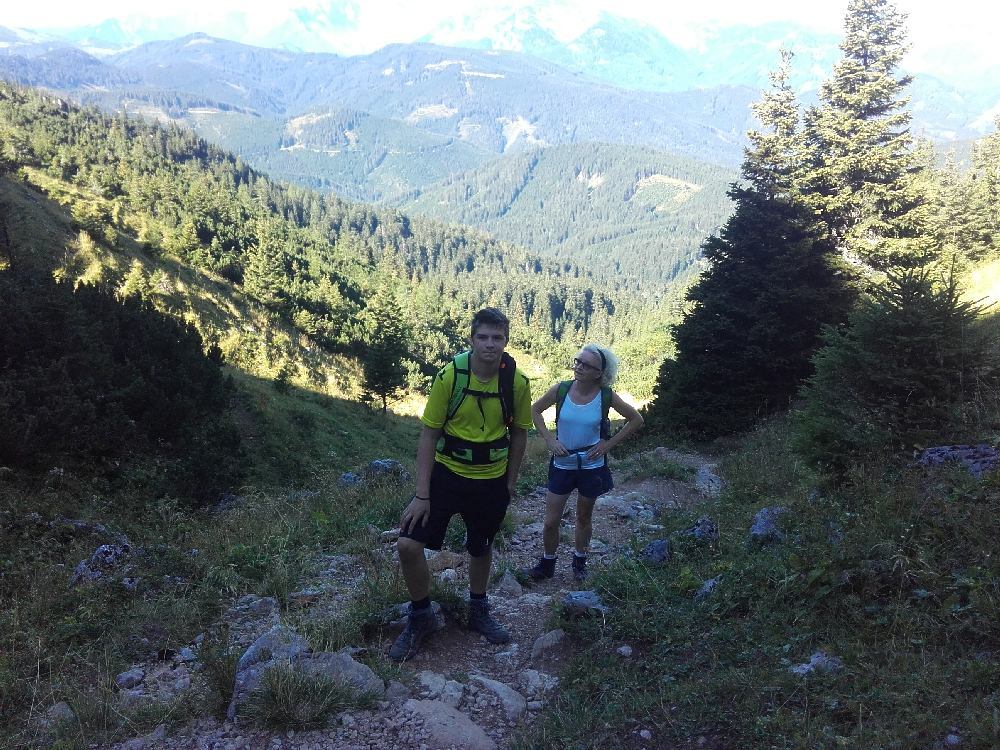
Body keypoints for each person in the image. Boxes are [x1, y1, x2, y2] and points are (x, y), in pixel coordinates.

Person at [390, 308, 532, 662]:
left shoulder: (516, 383)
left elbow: (519, 434)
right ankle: (421, 615)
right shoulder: (450, 376)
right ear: (471, 339)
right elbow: (429, 435)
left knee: (481, 546)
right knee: (408, 544)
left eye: (497, 338)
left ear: (506, 341)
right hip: (447, 475)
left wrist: (510, 482)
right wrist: (422, 494)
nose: (490, 344)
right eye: (483, 337)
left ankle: (478, 609)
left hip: (491, 479)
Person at [525, 344, 643, 582]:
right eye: (578, 361)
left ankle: (579, 563)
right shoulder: (561, 389)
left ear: (599, 373)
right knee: (550, 521)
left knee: (583, 517)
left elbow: (636, 419)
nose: (579, 367)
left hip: (592, 467)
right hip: (562, 465)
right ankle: (547, 564)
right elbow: (535, 410)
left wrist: (608, 445)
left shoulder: (606, 395)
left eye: (586, 365)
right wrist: (549, 440)